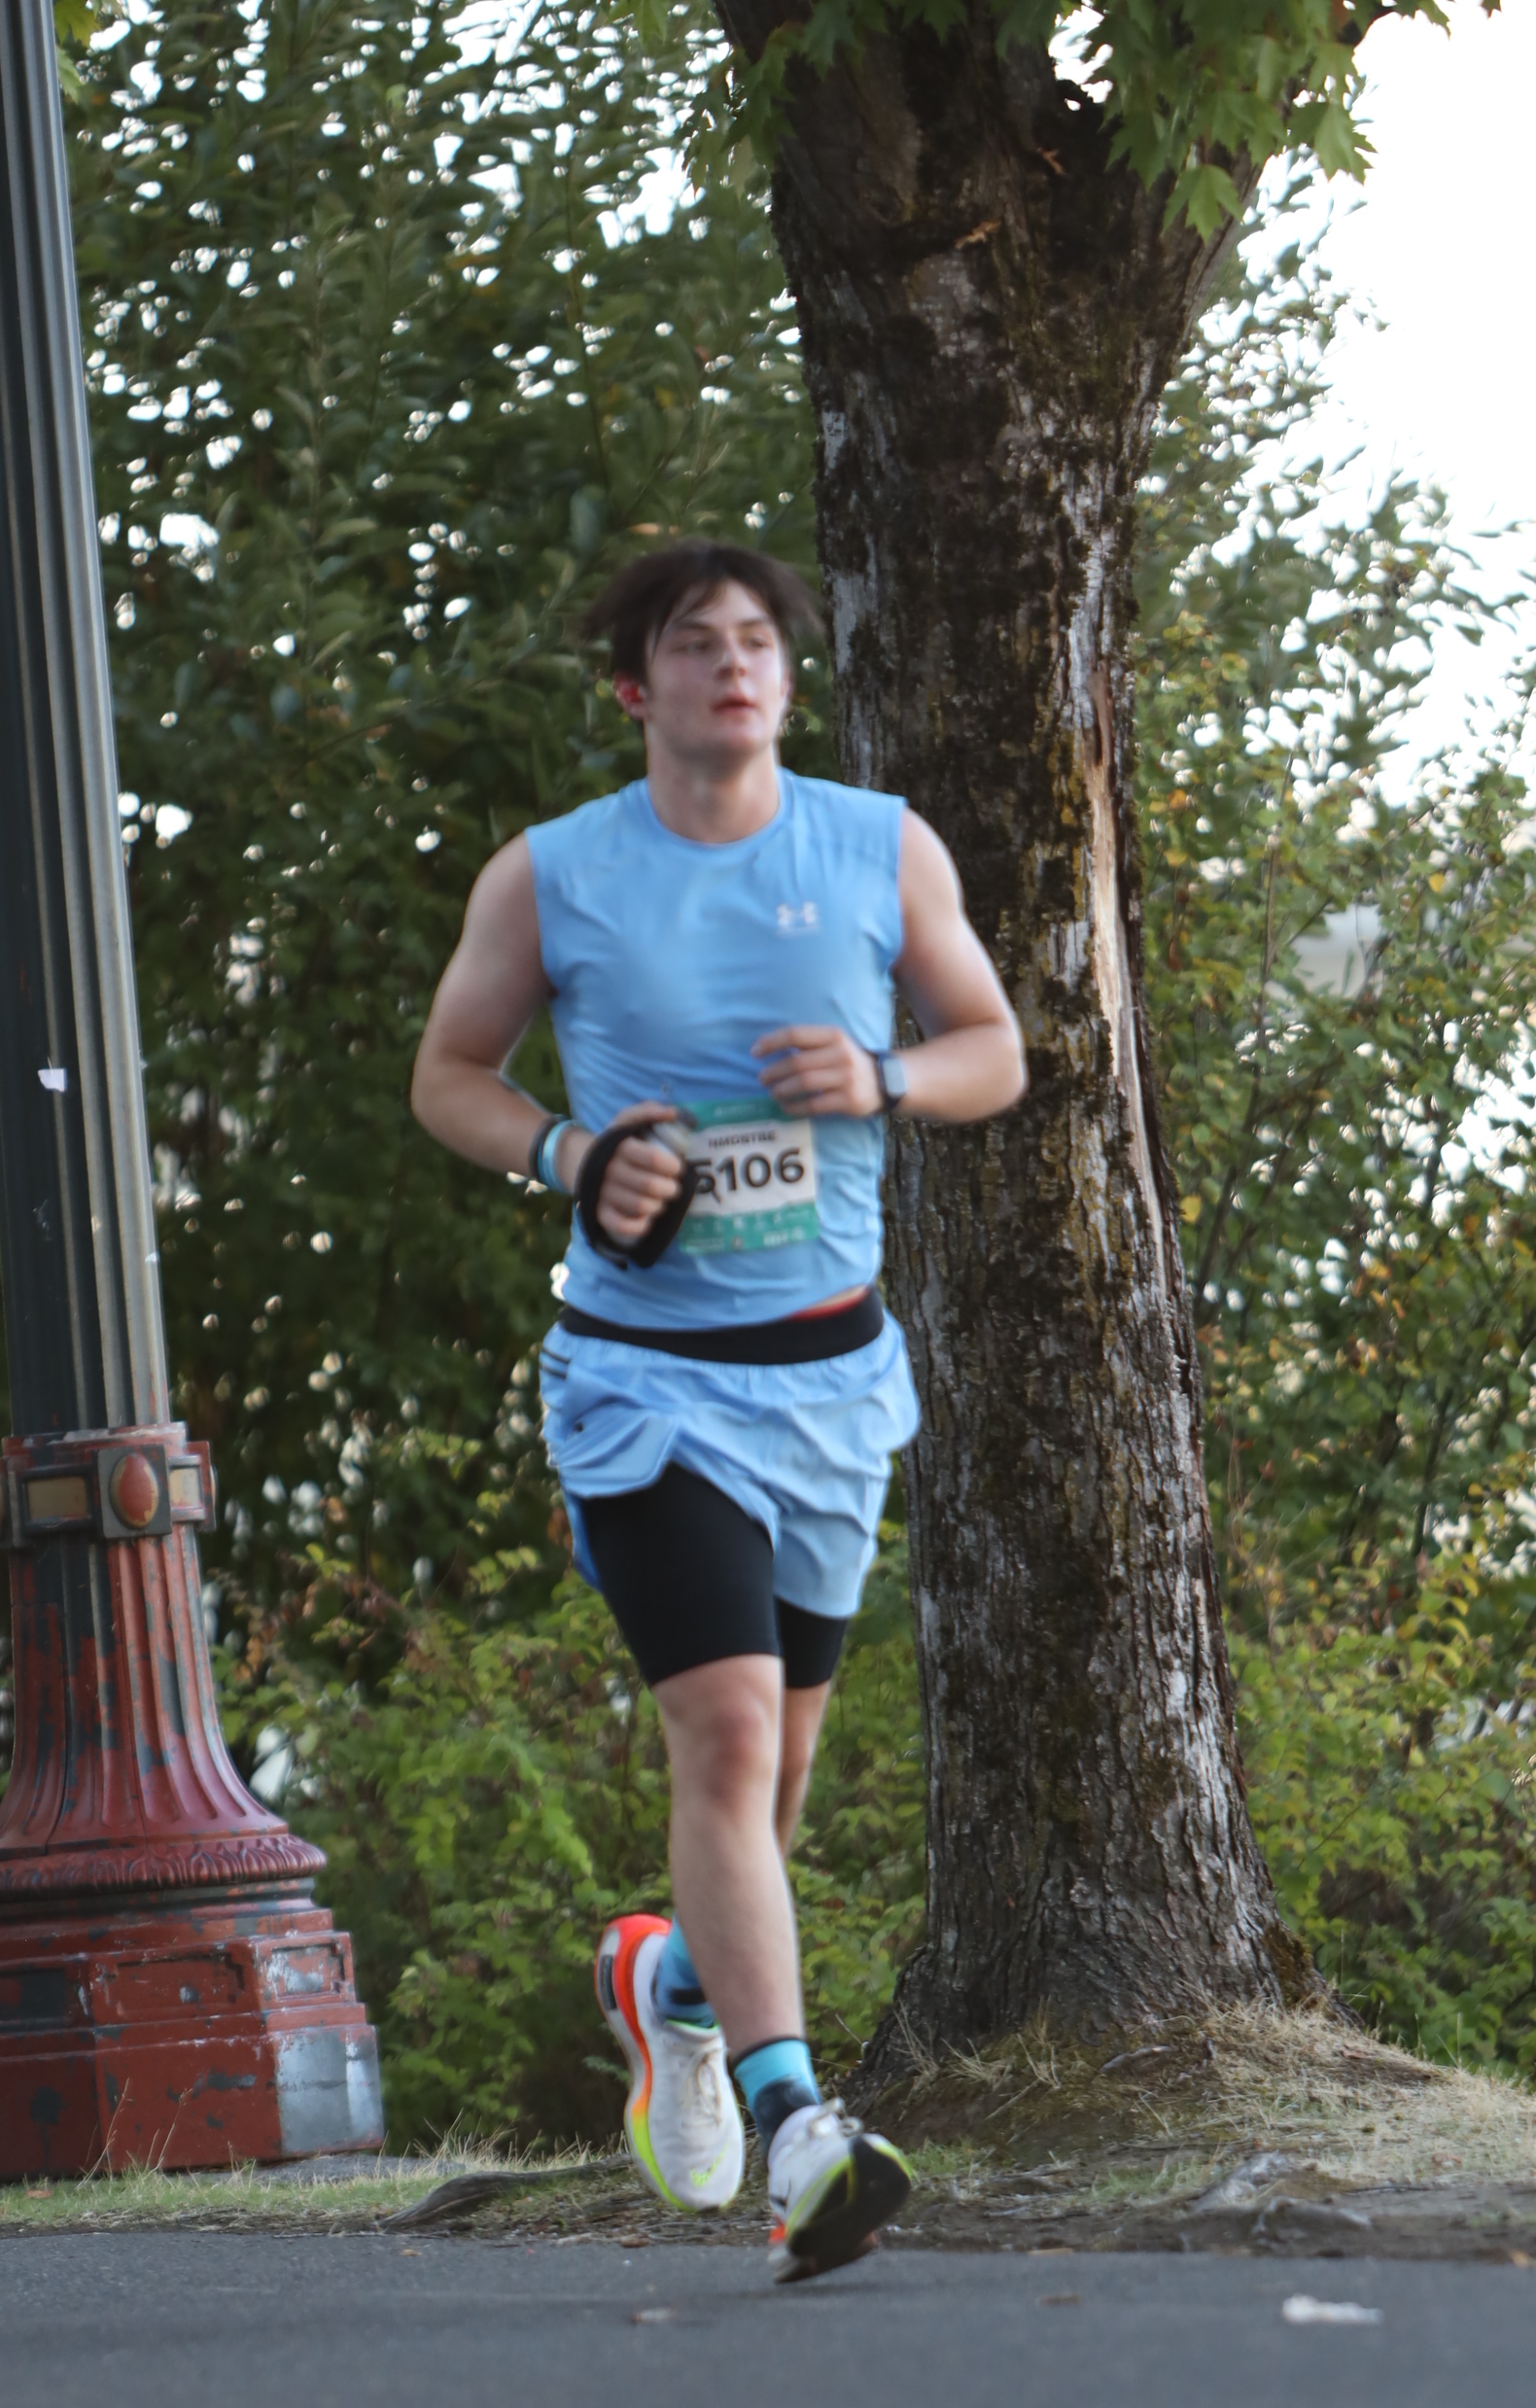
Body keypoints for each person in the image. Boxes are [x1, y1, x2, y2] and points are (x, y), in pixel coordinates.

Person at [411, 541, 1026, 2280]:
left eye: (759, 641)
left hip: (829, 1383)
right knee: (732, 1739)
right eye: (697, 645)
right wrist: (569, 1152)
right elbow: (449, 1076)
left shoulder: (877, 846)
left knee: (770, 1787)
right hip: (644, 1382)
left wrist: (885, 1074)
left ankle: (670, 1986)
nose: (736, 666)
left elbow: (995, 1048)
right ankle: (801, 2126)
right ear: (638, 685)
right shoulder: (554, 876)